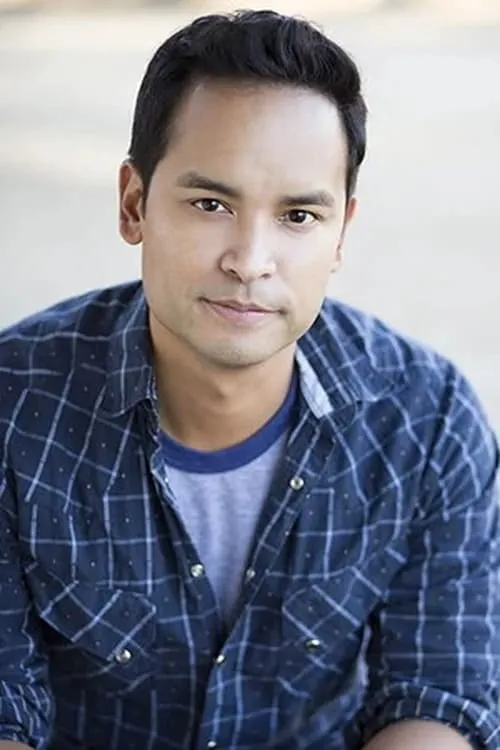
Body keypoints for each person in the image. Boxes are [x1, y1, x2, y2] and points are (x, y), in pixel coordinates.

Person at [0, 9, 498, 750]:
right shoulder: (14, 407)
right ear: (134, 204)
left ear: (341, 233)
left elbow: (439, 695)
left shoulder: (424, 421)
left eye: (298, 216)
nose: (250, 260)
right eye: (211, 204)